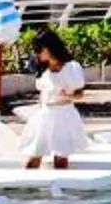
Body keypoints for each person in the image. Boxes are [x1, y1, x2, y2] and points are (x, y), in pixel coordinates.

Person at [17, 28, 90, 169]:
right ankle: (28, 189)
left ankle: (60, 189)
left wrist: (67, 96)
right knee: (33, 157)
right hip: (45, 114)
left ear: (50, 47)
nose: (36, 53)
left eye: (39, 49)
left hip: (64, 115)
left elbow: (80, 94)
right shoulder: (43, 68)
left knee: (61, 160)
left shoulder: (71, 68)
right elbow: (43, 94)